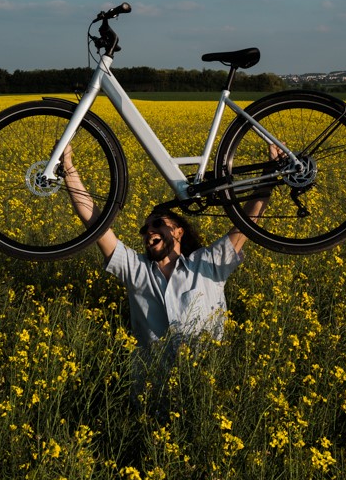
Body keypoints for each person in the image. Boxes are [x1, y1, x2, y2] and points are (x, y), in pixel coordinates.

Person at [59, 144, 272, 359]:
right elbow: (96, 222)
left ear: (179, 232)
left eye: (158, 223)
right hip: (153, 388)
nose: (149, 230)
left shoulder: (207, 264)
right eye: (145, 229)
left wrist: (273, 172)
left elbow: (246, 223)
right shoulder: (137, 270)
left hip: (205, 383)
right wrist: (67, 166)